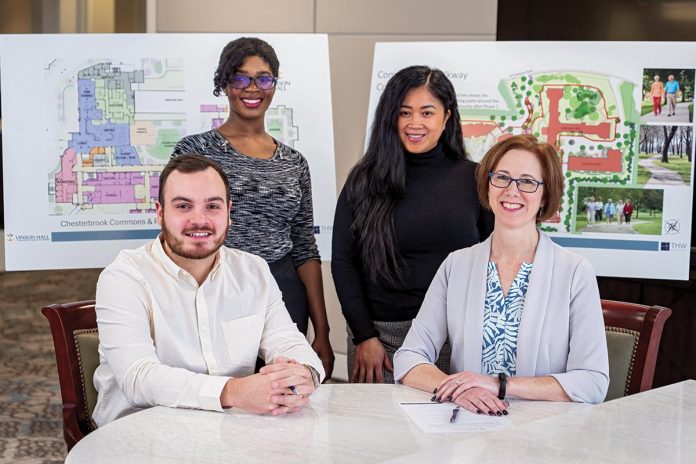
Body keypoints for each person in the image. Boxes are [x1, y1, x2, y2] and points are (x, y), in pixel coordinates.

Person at [92, 155, 324, 426]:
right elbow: (138, 378)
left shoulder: (254, 271)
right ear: (160, 212)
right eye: (183, 206)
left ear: (229, 212)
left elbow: (288, 341)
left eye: (213, 206)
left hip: (228, 430)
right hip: (138, 433)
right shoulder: (123, 277)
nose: (199, 220)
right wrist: (234, 391)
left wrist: (304, 373)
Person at [394, 135, 609, 414]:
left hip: (545, 430)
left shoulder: (574, 272)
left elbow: (593, 382)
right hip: (470, 426)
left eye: (527, 182)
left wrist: (500, 385)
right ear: (488, 185)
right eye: (502, 178)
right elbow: (408, 357)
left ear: (545, 196)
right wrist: (461, 389)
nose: (512, 190)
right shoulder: (456, 265)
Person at [171, 37, 334, 378]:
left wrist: (322, 330)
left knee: (283, 392)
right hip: (216, 289)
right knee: (219, 392)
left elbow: (305, 247)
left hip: (284, 290)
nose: (252, 88)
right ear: (224, 83)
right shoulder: (194, 151)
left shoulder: (294, 162)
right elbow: (177, 230)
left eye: (263, 78)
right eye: (240, 77)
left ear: (274, 84)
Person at [332, 65, 493, 384]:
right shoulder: (364, 179)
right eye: (404, 112)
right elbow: (343, 261)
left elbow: (495, 259)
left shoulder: (475, 179)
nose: (414, 123)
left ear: (447, 117)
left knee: (452, 418)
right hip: (380, 341)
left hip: (454, 338)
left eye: (427, 112)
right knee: (374, 419)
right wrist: (364, 336)